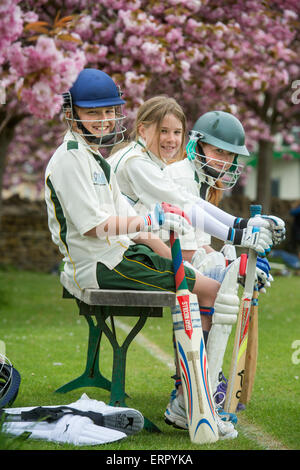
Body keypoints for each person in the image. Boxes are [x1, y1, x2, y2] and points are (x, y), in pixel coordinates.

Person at [44, 69, 239, 440]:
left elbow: (137, 224)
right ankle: (193, 403)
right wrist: (151, 220)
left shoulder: (94, 157)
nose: (103, 120)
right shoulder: (71, 158)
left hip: (119, 256)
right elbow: (91, 226)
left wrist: (159, 237)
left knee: (209, 288)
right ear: (72, 113)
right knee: (212, 292)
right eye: (93, 113)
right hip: (102, 267)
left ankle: (193, 399)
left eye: (108, 112)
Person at [108, 99, 284, 428]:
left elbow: (196, 239)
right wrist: (239, 237)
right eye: (218, 150)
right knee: (216, 282)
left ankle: (197, 385)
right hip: (128, 253)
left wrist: (238, 253)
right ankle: (190, 390)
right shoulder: (173, 174)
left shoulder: (185, 174)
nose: (226, 160)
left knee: (219, 272)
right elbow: (184, 240)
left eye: (231, 154)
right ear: (197, 144)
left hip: (138, 247)